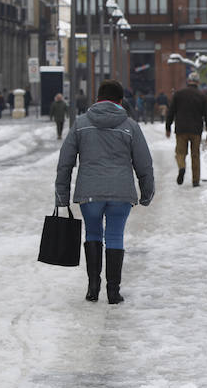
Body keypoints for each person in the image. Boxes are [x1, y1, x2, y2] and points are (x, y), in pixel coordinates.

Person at [55, 79, 154, 304]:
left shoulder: (81, 124)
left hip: (90, 193)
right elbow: (144, 163)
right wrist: (147, 192)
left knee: (92, 234)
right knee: (115, 236)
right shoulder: (130, 126)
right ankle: (113, 291)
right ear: (120, 101)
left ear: (97, 99)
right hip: (121, 194)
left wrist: (62, 195)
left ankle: (92, 287)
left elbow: (65, 162)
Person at [166, 71, 207, 188]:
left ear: (188, 81)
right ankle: (195, 180)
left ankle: (182, 167)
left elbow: (171, 112)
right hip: (196, 130)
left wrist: (168, 127)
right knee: (195, 155)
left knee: (180, 153)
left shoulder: (178, 94)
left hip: (181, 129)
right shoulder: (202, 96)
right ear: (198, 82)